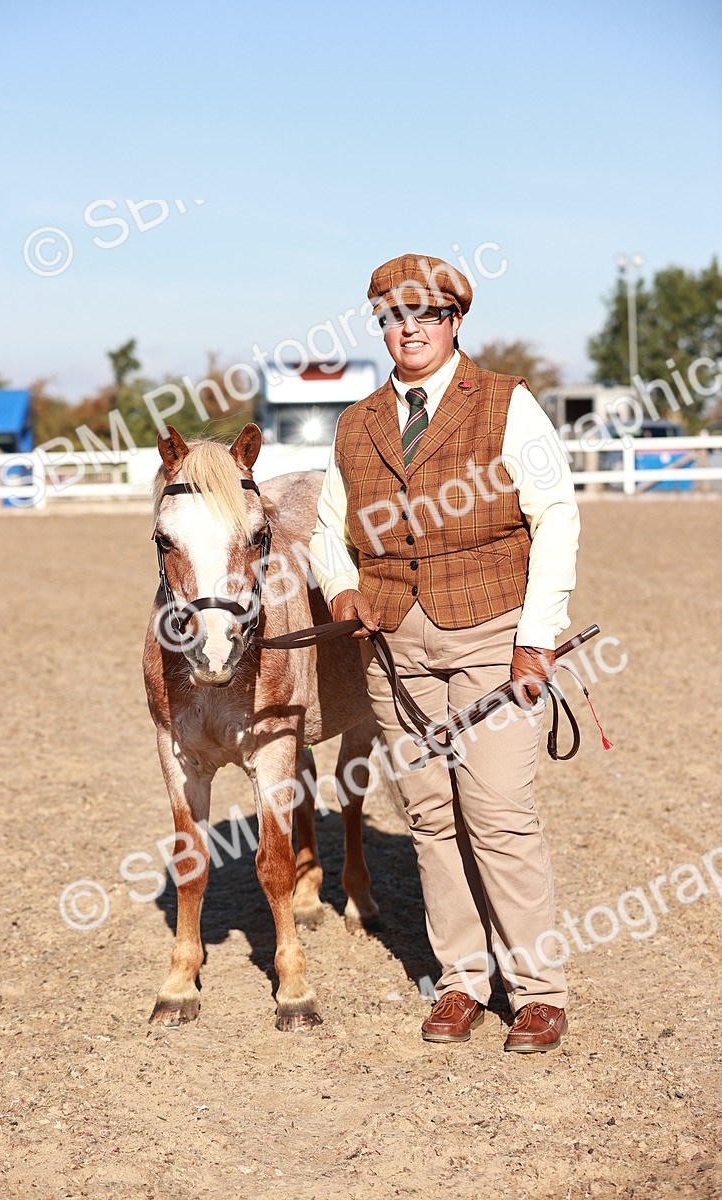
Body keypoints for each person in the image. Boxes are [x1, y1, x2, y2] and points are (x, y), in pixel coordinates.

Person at [308, 253, 580, 1053]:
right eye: (393, 318)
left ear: (454, 321)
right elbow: (330, 527)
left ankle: (537, 991)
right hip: (394, 645)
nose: (409, 330)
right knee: (431, 815)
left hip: (493, 633)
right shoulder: (356, 424)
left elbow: (555, 514)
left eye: (425, 316)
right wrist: (341, 590)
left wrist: (537, 637)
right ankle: (462, 979)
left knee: (496, 811)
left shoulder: (505, 403)